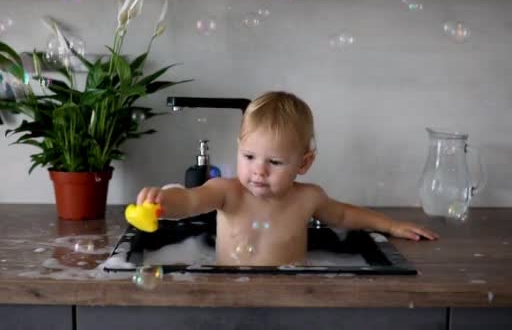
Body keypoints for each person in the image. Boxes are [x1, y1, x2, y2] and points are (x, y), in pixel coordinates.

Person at [135, 91, 438, 266]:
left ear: (303, 163)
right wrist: (162, 201)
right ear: (239, 150)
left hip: (292, 293)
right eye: (249, 157)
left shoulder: (308, 198)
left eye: (275, 162)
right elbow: (189, 201)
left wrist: (390, 226)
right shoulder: (227, 192)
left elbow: (344, 214)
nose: (259, 170)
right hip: (231, 290)